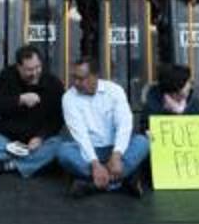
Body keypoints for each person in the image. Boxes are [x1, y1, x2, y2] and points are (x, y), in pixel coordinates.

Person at [58, 57, 149, 198]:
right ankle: (120, 180)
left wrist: (117, 155)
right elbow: (80, 135)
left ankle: (93, 184)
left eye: (81, 79)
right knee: (63, 152)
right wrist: (95, 164)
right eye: (74, 78)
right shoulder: (68, 98)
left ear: (95, 76)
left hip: (116, 149)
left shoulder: (114, 91)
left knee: (143, 142)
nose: (76, 83)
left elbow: (124, 125)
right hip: (88, 151)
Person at [0, 45, 65, 178]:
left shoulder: (53, 83)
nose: (35, 73)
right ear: (18, 67)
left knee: (58, 146)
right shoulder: (7, 75)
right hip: (10, 139)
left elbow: (57, 120)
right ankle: (33, 163)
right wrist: (19, 100)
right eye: (29, 70)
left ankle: (7, 165)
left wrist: (41, 137)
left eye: (38, 67)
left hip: (37, 141)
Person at [141, 63, 199, 132]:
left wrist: (180, 113)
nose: (190, 85)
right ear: (178, 85)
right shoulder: (153, 102)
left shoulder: (193, 101)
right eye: (188, 82)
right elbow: (146, 127)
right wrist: (169, 112)